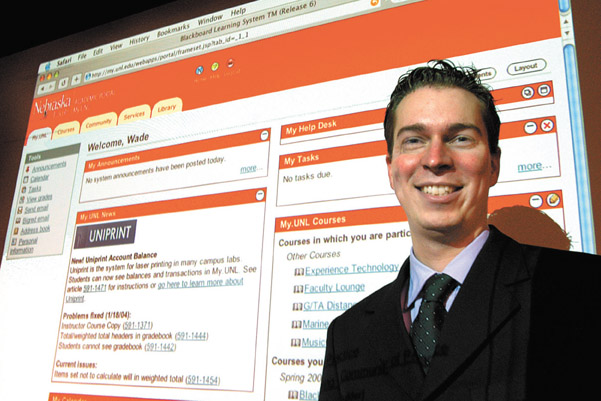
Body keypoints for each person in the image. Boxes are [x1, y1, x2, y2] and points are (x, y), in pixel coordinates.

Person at [319, 59, 600, 400]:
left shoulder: (585, 291)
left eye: (461, 138)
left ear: (493, 165)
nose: (435, 158)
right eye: (414, 140)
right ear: (392, 170)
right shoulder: (347, 334)